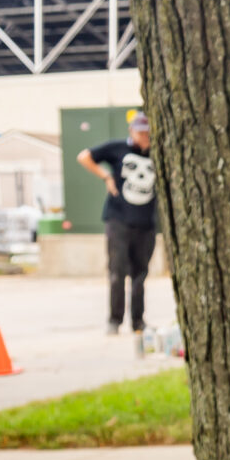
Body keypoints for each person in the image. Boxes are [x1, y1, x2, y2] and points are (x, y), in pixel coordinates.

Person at [77, 112, 160, 335]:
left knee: (140, 274)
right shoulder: (118, 148)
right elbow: (84, 156)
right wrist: (106, 176)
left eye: (148, 132)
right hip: (118, 220)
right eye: (140, 132)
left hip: (146, 223)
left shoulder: (158, 151)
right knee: (117, 272)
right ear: (132, 131)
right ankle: (114, 320)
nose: (144, 136)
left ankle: (138, 322)